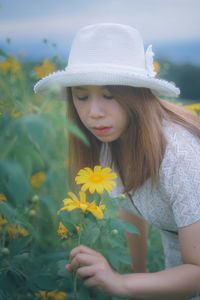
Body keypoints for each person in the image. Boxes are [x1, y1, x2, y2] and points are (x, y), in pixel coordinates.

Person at [34, 23, 200, 300]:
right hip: (181, 259)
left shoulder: (180, 157)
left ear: (136, 96)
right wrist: (138, 275)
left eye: (109, 95)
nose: (93, 113)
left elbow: (197, 274)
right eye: (82, 96)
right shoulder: (111, 141)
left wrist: (122, 283)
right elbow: (131, 204)